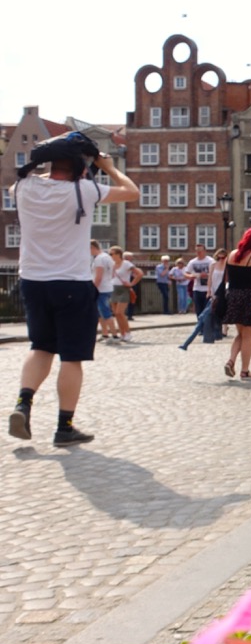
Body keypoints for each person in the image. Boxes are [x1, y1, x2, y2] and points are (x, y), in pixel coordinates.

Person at [9, 132, 138, 445]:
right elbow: (131, 192)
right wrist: (107, 165)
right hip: (71, 283)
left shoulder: (23, 188)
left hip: (33, 282)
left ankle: (23, 404)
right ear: (82, 168)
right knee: (71, 357)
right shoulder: (85, 189)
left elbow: (37, 176)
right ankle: (64, 427)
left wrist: (50, 160)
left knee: (40, 347)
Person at [222, 228, 251, 381]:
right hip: (250, 298)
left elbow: (228, 277)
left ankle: (231, 360)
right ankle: (245, 371)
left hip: (233, 297)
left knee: (240, 334)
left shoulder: (232, 255)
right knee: (249, 336)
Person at [109, 246, 142, 343]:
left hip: (123, 289)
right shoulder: (111, 264)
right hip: (113, 289)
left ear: (118, 254)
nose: (110, 256)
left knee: (120, 312)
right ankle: (122, 333)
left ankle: (128, 332)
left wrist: (131, 283)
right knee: (116, 314)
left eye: (112, 254)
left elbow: (139, 273)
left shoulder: (126, 264)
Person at [90, 240, 119, 342]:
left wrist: (93, 289)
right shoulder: (107, 257)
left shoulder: (99, 259)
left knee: (105, 312)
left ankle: (114, 335)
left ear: (92, 247)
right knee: (100, 312)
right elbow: (113, 272)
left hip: (101, 289)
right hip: (107, 286)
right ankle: (105, 334)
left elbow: (98, 276)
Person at [186, 244, 216, 316]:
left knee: (207, 311)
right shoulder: (192, 262)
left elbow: (216, 273)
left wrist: (207, 275)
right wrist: (195, 275)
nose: (198, 253)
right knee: (199, 311)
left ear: (205, 251)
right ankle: (201, 325)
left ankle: (204, 326)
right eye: (197, 251)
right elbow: (186, 274)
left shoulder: (211, 261)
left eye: (200, 251)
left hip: (208, 289)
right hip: (197, 289)